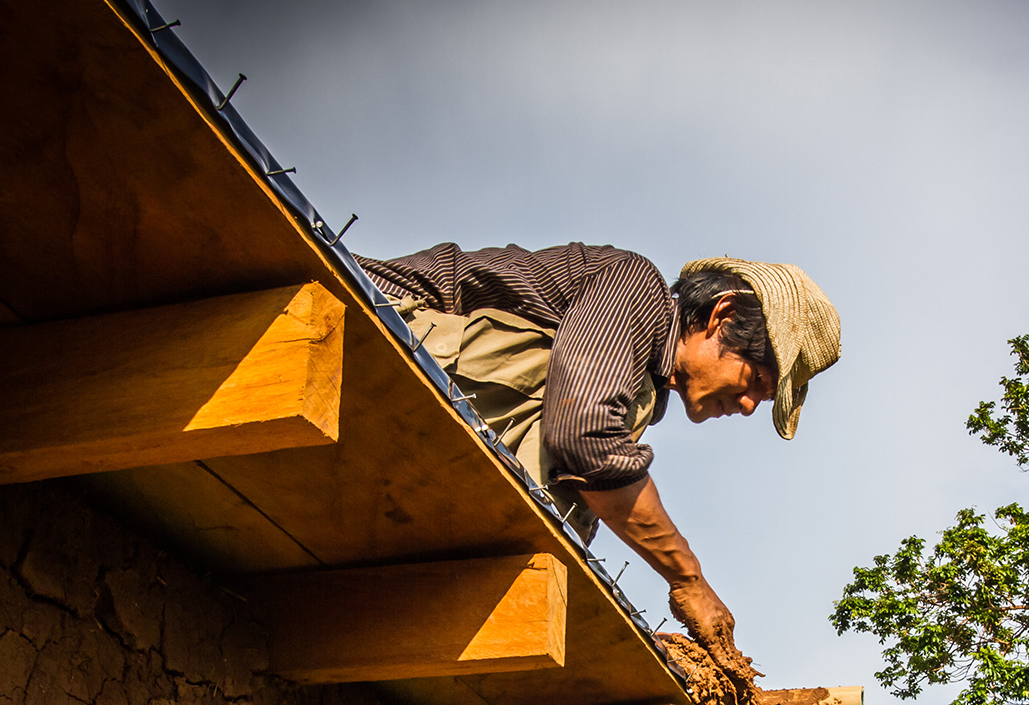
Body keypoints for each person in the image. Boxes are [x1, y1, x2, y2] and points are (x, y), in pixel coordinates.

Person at [358, 243, 840, 678]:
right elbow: (584, 437)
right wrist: (687, 579)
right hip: (371, 316)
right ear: (721, 316)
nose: (749, 405)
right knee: (592, 427)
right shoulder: (634, 285)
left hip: (421, 437)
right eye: (755, 378)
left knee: (603, 452)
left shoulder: (640, 390)